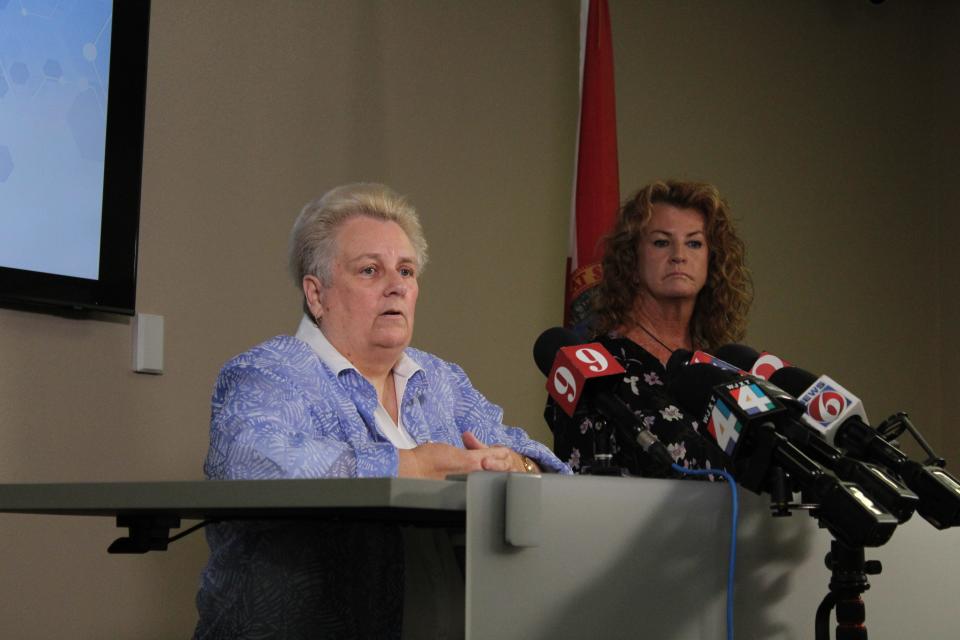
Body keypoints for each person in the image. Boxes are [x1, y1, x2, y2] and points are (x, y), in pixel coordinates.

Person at [194, 183, 568, 639]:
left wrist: (516, 465)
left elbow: (538, 460)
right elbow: (248, 460)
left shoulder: (440, 379)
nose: (396, 286)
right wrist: (410, 465)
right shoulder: (269, 372)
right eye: (370, 270)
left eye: (406, 271)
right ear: (317, 294)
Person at [546, 179, 753, 477]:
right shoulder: (593, 367)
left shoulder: (725, 370)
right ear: (632, 259)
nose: (679, 255)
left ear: (712, 260)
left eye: (694, 243)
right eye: (661, 242)